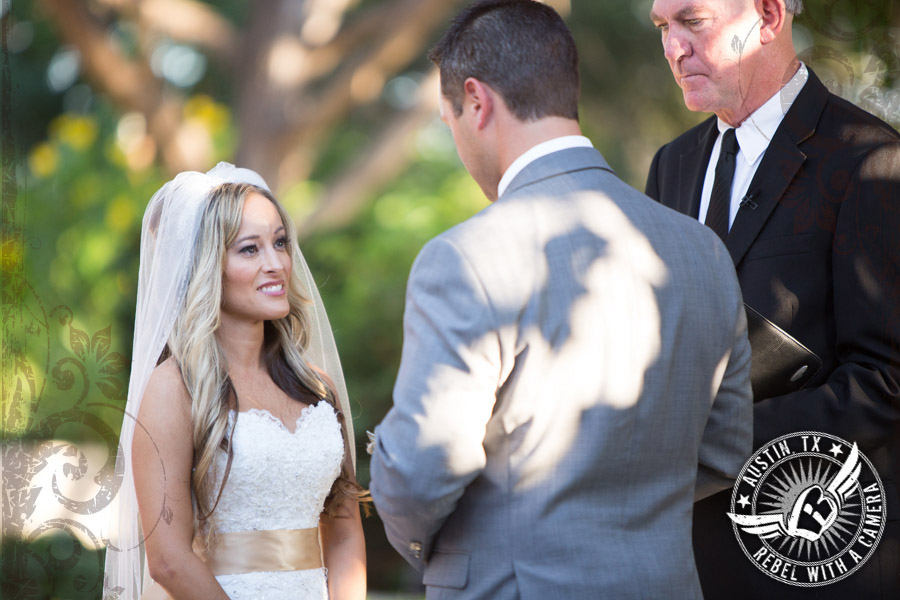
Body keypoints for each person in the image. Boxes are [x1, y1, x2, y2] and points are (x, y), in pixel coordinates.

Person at [368, 1, 753, 597]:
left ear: (477, 102)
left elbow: (420, 473)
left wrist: (439, 553)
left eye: (450, 122)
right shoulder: (702, 252)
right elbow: (725, 451)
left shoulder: (466, 257)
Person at [646, 0, 900, 597]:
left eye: (693, 22)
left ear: (767, 15)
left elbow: (887, 380)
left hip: (816, 555)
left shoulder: (870, 158)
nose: (672, 48)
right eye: (663, 28)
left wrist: (713, 443)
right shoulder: (672, 165)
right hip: (686, 560)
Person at [102, 163, 366, 600]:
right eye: (249, 249)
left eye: (280, 242)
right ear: (208, 265)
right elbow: (168, 560)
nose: (277, 263)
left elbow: (343, 528)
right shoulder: (174, 389)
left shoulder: (317, 387)